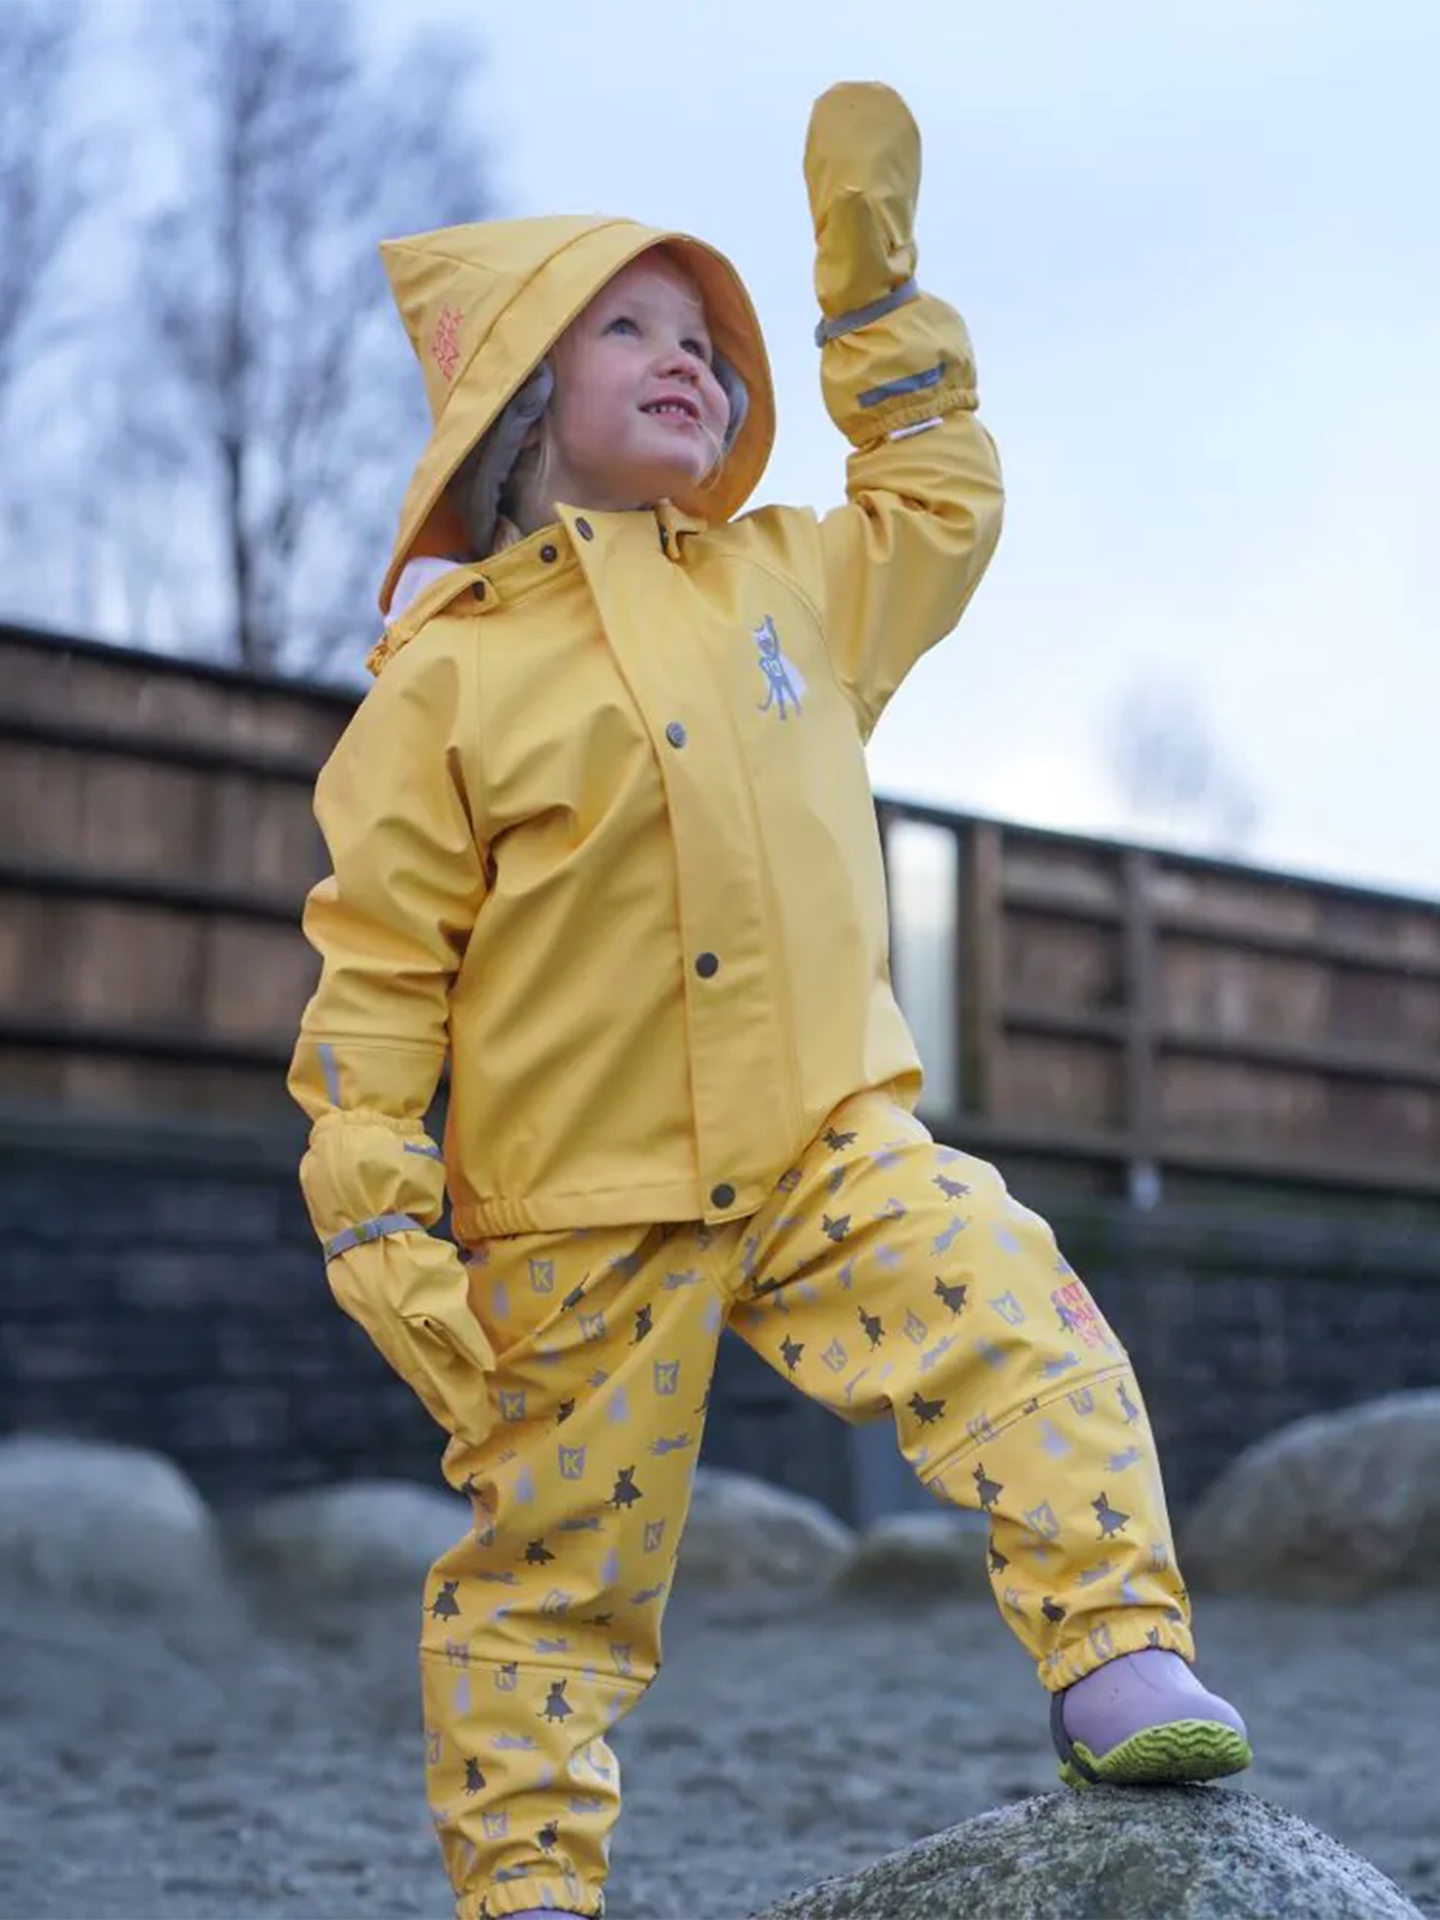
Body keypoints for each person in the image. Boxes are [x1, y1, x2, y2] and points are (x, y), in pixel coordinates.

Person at [288, 81, 1249, 1920]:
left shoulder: (793, 585)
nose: (686, 361)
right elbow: (380, 962)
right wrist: (376, 1208)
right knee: (549, 1583)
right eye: (629, 330)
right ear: (519, 404)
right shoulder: (442, 686)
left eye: (705, 343)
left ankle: (1117, 1651)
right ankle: (529, 1886)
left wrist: (870, 303)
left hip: (828, 1138)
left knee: (1030, 1324)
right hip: (575, 1202)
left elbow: (943, 505)